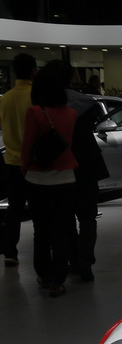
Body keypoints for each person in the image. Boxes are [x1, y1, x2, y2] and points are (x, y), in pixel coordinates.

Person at [42, 59, 109, 282]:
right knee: (88, 217)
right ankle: (86, 261)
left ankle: (72, 258)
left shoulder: (46, 105)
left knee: (65, 216)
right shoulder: (86, 102)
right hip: (87, 164)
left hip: (60, 164)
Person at [20, 66, 78, 296]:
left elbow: (27, 146)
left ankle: (44, 274)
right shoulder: (71, 113)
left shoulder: (35, 112)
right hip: (66, 178)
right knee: (62, 230)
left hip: (38, 179)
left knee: (41, 230)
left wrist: (25, 167)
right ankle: (58, 279)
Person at [0, 52, 36, 266]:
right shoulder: (35, 96)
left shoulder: (6, 98)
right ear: (33, 70)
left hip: (12, 161)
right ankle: (43, 252)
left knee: (14, 208)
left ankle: (10, 252)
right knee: (40, 209)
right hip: (34, 162)